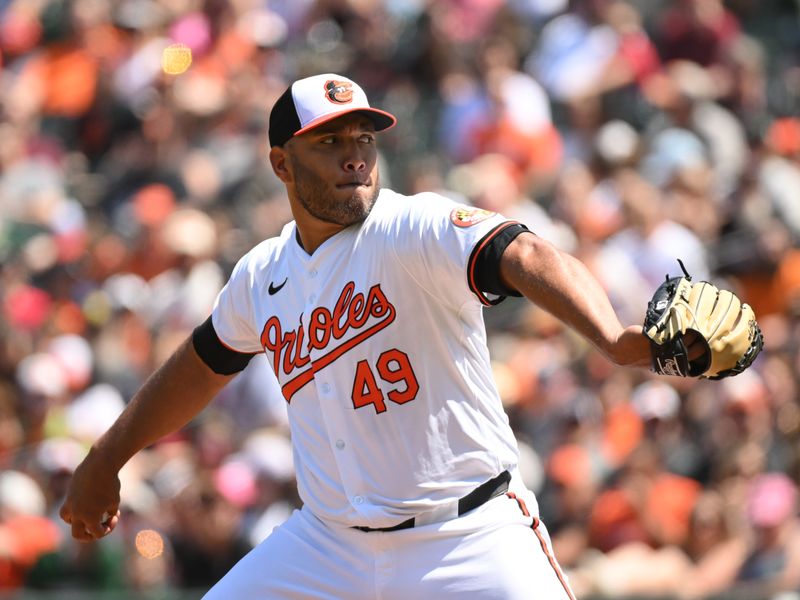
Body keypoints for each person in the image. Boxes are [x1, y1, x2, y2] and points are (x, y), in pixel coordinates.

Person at [59, 73, 667, 599]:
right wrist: (107, 456)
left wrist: (612, 336)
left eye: (364, 139)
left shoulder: (410, 226)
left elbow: (524, 253)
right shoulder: (262, 275)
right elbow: (200, 365)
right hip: (328, 546)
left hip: (467, 535)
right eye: (330, 141)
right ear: (281, 164)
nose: (355, 155)